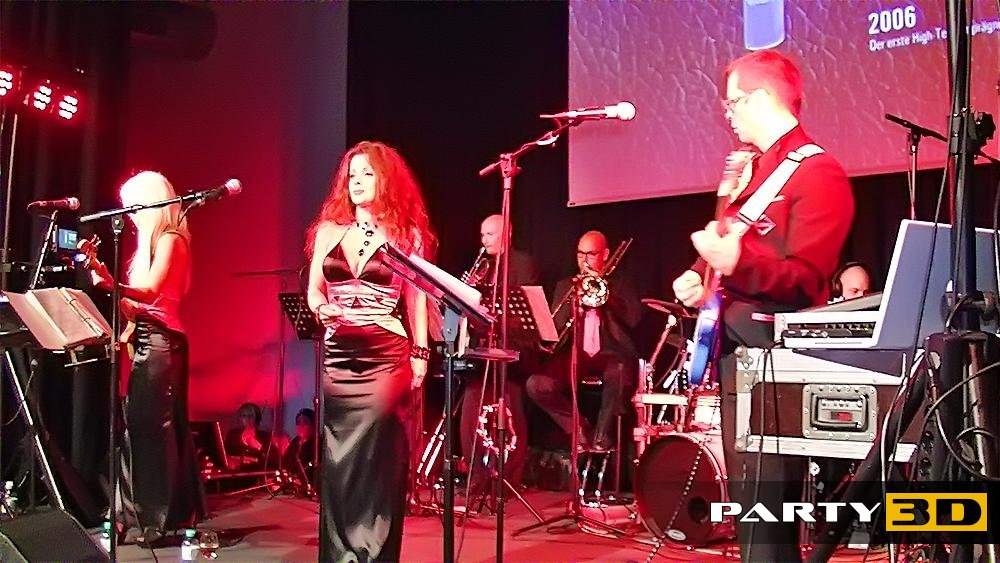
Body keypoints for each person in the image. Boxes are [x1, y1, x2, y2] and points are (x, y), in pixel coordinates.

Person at [671, 50, 853, 561]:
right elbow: (734, 245)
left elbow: (807, 280)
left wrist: (736, 264)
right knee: (752, 513)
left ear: (762, 98)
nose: (728, 114)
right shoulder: (755, 172)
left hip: (775, 360)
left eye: (733, 102)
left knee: (767, 514)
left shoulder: (817, 172)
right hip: (740, 356)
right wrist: (699, 275)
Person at [306, 140, 435, 562]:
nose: (357, 182)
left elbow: (416, 298)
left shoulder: (406, 235)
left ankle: (373, 552)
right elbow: (313, 290)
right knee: (338, 455)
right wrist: (321, 308)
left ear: (386, 181)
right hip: (339, 355)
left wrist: (420, 353)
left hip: (386, 353)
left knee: (377, 450)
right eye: (352, 176)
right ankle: (340, 552)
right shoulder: (329, 231)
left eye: (367, 174)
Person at [87, 170, 207, 544]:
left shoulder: (171, 239)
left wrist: (112, 282)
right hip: (145, 341)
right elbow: (135, 309)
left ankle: (159, 516)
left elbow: (153, 291)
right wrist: (105, 280)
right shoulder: (149, 246)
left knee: (156, 430)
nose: (130, 217)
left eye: (135, 207)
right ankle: (129, 512)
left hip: (162, 343)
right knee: (136, 428)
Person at [527, 230, 640, 451]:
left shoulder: (621, 284)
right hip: (575, 352)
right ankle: (577, 426)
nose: (584, 261)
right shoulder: (565, 285)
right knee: (536, 385)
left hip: (610, 353)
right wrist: (574, 307)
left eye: (591, 254)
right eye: (580, 254)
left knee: (619, 374)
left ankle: (602, 436)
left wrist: (606, 298)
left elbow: (634, 318)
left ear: (605, 254)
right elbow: (555, 328)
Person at [459, 214, 541, 495]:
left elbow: (525, 309)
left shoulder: (522, 263)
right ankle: (477, 475)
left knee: (510, 406)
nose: (484, 240)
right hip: (486, 346)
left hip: (515, 346)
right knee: (472, 403)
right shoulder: (483, 266)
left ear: (506, 234)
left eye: (490, 234)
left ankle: (508, 478)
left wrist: (495, 312)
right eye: (482, 235)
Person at [223, 402, 272, 471]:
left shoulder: (264, 435)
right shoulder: (233, 434)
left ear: (257, 418)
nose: (247, 419)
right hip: (235, 472)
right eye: (244, 416)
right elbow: (224, 453)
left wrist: (255, 444)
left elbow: (270, 458)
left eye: (251, 416)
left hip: (256, 472)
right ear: (240, 418)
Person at [281, 408, 317, 494]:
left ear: (313, 425)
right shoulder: (295, 442)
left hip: (309, 488)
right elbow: (285, 463)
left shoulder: (317, 444)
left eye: (305, 422)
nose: (301, 425)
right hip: (292, 486)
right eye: (298, 422)